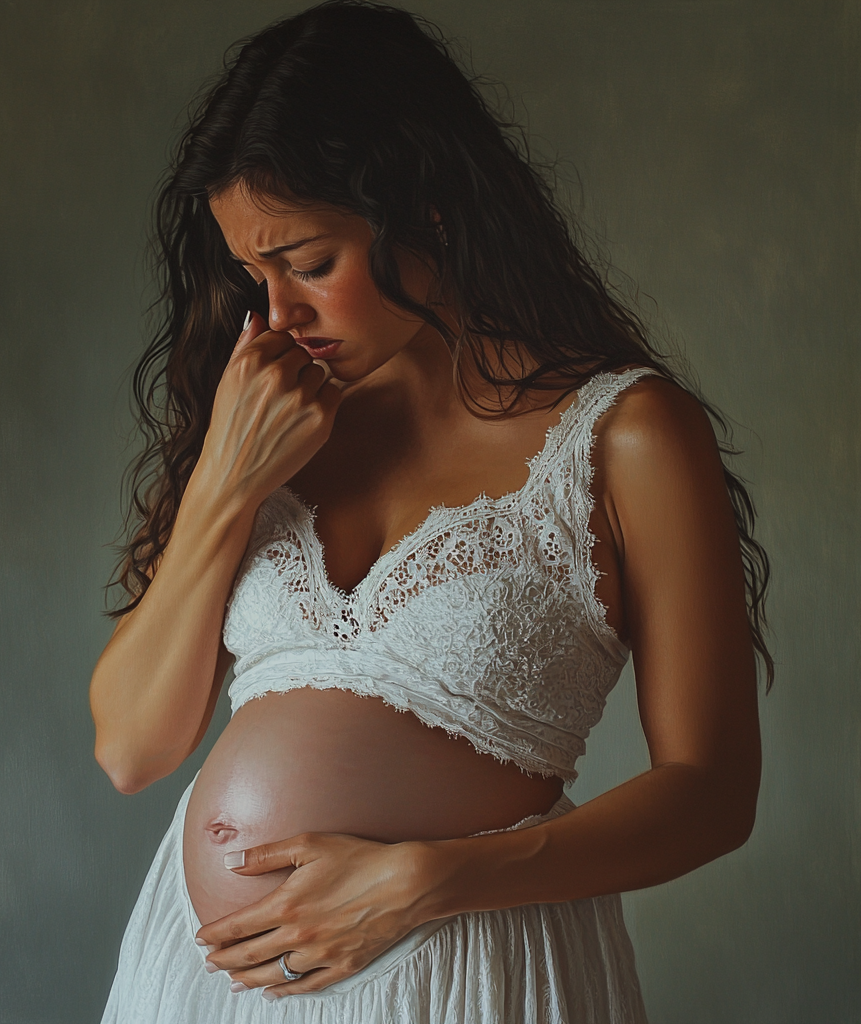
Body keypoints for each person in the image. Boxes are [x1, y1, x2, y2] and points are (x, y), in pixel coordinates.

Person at [90, 2, 771, 1021]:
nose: (277, 316)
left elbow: (712, 794)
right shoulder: (255, 426)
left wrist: (425, 881)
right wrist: (223, 487)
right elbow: (132, 751)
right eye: (251, 275)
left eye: (309, 263)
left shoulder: (626, 436)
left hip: (472, 972)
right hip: (204, 985)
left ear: (428, 211)